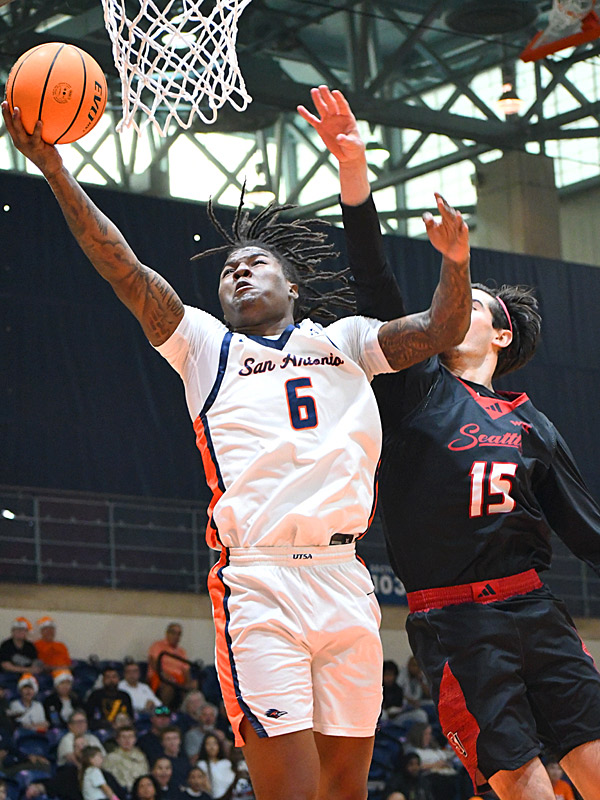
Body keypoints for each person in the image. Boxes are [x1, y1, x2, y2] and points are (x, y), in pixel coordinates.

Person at [2, 95, 471, 800]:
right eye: (229, 271)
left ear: (293, 285)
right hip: (260, 582)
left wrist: (456, 263)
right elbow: (121, 265)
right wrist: (54, 168)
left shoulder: (346, 341)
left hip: (346, 577)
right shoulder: (204, 347)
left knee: (345, 791)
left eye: (255, 264)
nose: (240, 273)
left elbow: (440, 330)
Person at [300, 84, 600, 800]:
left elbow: (589, 533)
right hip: (455, 621)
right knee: (522, 786)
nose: (456, 308)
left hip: (536, 609)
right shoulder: (415, 387)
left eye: (474, 305)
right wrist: (354, 170)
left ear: (501, 332)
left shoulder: (531, 424)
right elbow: (374, 282)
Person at [147, 625, 196, 709]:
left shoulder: (182, 651)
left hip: (178, 679)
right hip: (161, 676)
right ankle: (164, 711)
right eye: (173, 633)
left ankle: (183, 711)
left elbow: (186, 670)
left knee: (194, 685)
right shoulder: (157, 645)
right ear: (167, 633)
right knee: (169, 685)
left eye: (179, 634)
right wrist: (163, 674)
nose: (176, 636)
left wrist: (189, 683)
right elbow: (153, 662)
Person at [103, 724, 150, 791]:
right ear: (118, 740)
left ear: (135, 739)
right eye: (123, 737)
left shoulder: (141, 756)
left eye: (130, 736)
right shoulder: (111, 758)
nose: (127, 740)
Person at [196, 734, 234, 800]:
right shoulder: (201, 764)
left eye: (214, 743)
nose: (212, 747)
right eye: (208, 744)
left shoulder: (226, 763)